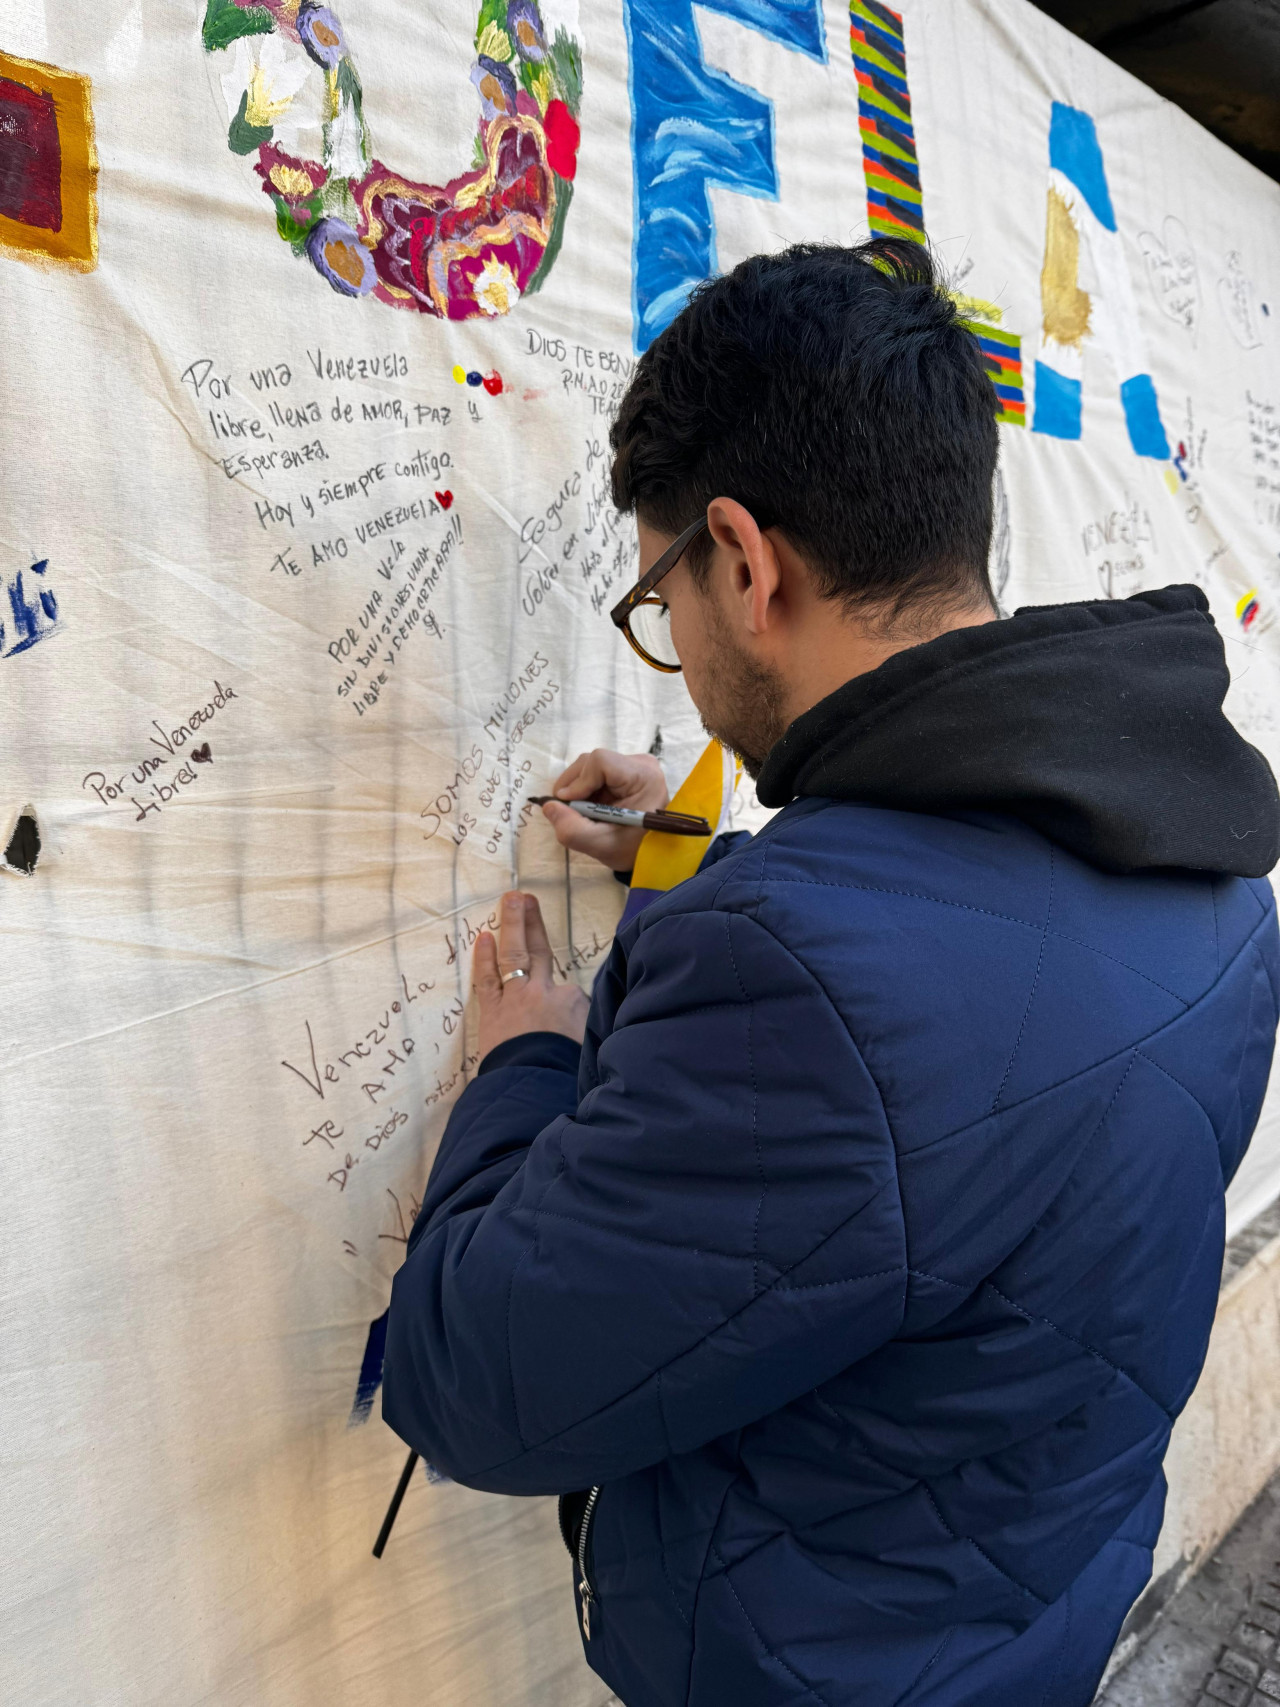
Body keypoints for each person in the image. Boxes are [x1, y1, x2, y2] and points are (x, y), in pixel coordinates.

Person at [382, 240, 1280, 1707]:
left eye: (657, 602)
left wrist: (524, 1061)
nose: (669, 639)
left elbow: (470, 1377)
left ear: (744, 559)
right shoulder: (1206, 864)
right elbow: (955, 1063)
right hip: (1029, 1619)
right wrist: (685, 862)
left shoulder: (797, 975)